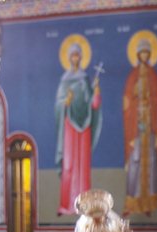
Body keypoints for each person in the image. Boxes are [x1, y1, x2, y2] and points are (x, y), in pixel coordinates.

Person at [55, 40, 102, 215]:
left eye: (77, 55)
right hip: (69, 126)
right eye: (72, 56)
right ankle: (66, 205)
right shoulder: (64, 81)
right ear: (69, 58)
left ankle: (84, 204)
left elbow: (93, 105)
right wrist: (65, 102)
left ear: (81, 58)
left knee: (83, 165)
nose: (75, 58)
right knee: (68, 163)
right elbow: (58, 105)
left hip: (84, 127)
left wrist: (96, 92)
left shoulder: (85, 80)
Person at [123, 34, 157, 216]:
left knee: (151, 163)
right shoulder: (132, 76)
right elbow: (126, 103)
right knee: (135, 161)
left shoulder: (153, 75)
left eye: (147, 53)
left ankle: (148, 203)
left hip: (150, 128)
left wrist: (150, 103)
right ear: (137, 54)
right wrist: (136, 101)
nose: (145, 56)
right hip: (136, 128)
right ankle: (132, 203)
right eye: (142, 53)